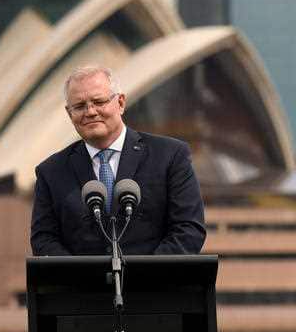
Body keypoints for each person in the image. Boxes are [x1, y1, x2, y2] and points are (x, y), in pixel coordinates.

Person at [30, 65, 206, 256]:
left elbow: (188, 229)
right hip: (82, 276)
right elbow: (44, 239)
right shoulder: (51, 172)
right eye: (79, 106)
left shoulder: (169, 156)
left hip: (154, 275)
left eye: (99, 102)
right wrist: (82, 273)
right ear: (69, 113)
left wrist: (145, 272)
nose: (90, 112)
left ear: (120, 103)